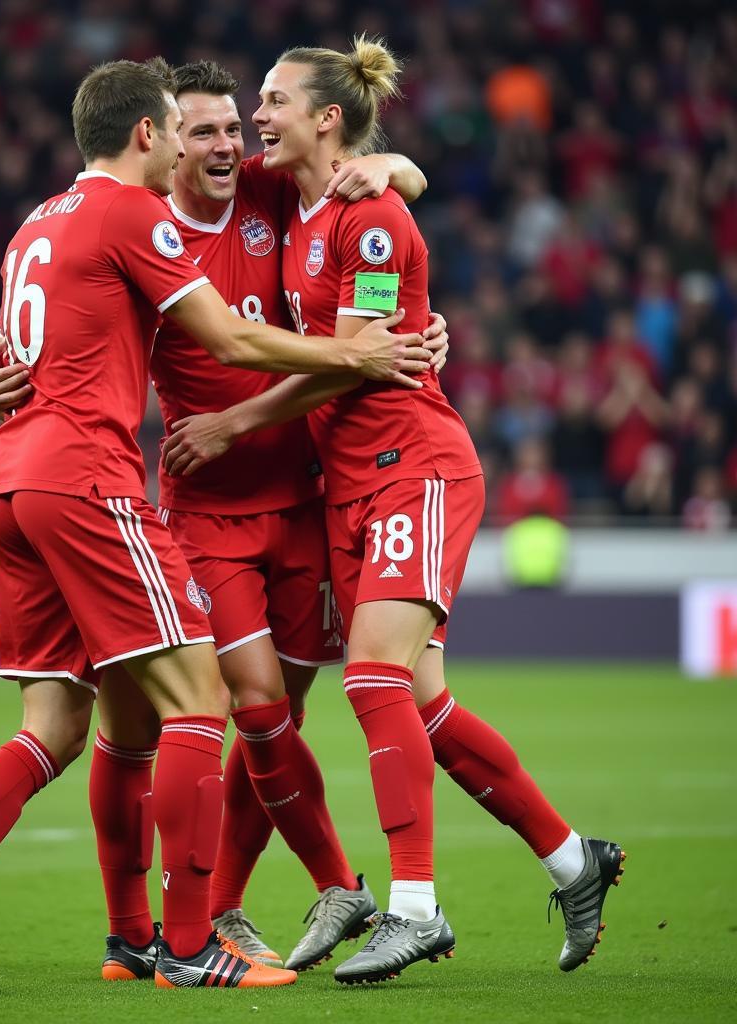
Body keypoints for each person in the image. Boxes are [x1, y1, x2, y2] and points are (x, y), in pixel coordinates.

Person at [0, 57, 431, 996]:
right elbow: (231, 340)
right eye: (184, 128)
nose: (201, 143)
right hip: (90, 483)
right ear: (148, 136)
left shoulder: (35, 225)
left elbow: (6, 357)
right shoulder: (139, 214)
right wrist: (354, 351)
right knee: (202, 704)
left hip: (8, 482)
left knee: (67, 725)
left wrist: (398, 169)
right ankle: (187, 942)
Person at [163, 37, 624, 981]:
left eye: (275, 99)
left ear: (325, 117)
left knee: (372, 676)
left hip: (412, 464)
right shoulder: (296, 201)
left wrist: (231, 423)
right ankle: (575, 862)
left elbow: (358, 355)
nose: (258, 116)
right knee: (424, 703)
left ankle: (413, 906)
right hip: (349, 484)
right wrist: (398, 164)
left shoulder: (368, 219)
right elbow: (350, 336)